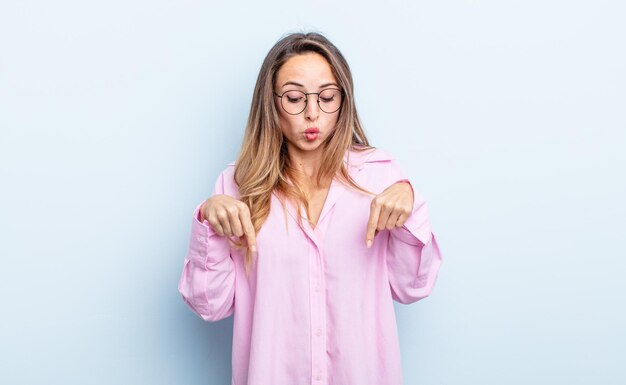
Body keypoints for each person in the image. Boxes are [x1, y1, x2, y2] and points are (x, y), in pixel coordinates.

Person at [177, 31, 443, 385]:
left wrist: (410, 210)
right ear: (271, 103)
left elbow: (412, 288)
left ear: (343, 100)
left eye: (327, 97)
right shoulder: (237, 186)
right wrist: (209, 222)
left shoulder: (381, 177)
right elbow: (210, 306)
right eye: (294, 98)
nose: (312, 113)